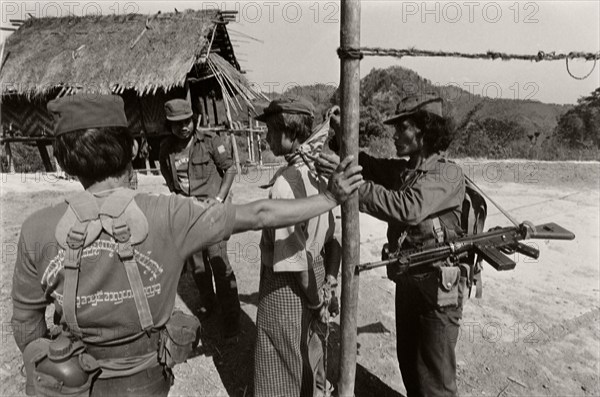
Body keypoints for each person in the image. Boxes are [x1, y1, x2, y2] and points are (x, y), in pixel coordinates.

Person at [10, 94, 363, 397]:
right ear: (133, 149)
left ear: (63, 161)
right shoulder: (170, 215)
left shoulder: (35, 230)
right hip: (144, 380)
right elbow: (261, 213)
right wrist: (332, 196)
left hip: (73, 379)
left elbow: (27, 326)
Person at [316, 94, 466, 397]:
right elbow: (367, 164)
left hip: (438, 290)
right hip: (409, 281)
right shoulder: (406, 170)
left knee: (435, 377)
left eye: (403, 128)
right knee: (410, 364)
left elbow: (408, 207)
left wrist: (351, 185)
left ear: (425, 132)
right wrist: (341, 131)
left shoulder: (448, 174)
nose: (395, 135)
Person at [253, 98, 341, 397]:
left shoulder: (284, 185)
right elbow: (334, 241)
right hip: (316, 272)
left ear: (289, 133)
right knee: (311, 346)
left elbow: (294, 260)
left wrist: (316, 304)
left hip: (287, 282)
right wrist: (329, 280)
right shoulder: (320, 175)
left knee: (279, 355)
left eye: (270, 131)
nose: (266, 138)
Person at [158, 98, 240, 337]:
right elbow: (170, 180)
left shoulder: (211, 141)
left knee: (218, 263)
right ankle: (208, 302)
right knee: (197, 265)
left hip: (213, 213)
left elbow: (230, 169)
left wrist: (218, 200)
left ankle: (231, 318)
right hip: (188, 215)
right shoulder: (166, 149)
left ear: (193, 119)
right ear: (169, 125)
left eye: (187, 121)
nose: (183, 127)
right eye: (177, 124)